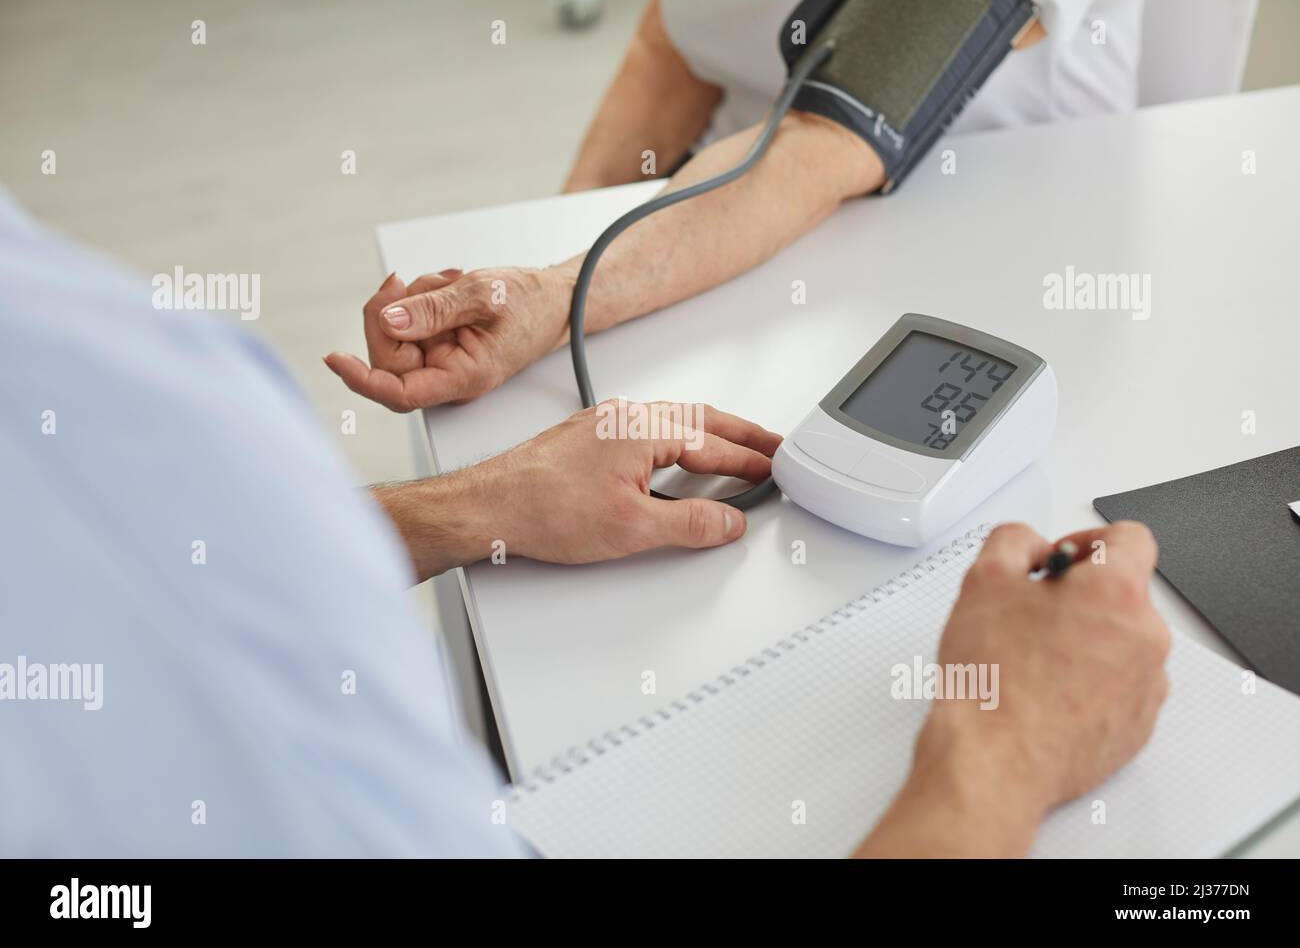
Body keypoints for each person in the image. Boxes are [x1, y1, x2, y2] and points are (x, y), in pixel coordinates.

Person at [0, 189, 1169, 857]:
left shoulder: (75, 377)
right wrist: (1002, 759)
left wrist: (461, 507)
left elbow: (127, 574)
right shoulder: (86, 386)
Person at [325, 0, 1145, 411]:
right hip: (729, 239)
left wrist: (552, 298)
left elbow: (823, 145)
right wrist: (544, 261)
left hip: (990, 266)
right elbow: (674, 46)